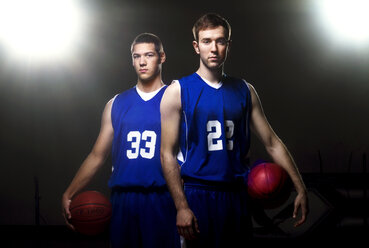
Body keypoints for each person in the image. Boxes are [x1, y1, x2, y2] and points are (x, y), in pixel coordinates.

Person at [160, 13, 308, 247]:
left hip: (237, 196)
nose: (214, 48)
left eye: (220, 41)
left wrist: (300, 187)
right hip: (198, 194)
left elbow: (271, 142)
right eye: (207, 41)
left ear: (228, 45)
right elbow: (166, 154)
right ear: (196, 46)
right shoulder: (177, 91)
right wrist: (181, 206)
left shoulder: (245, 90)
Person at [62, 33, 180, 248]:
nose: (142, 62)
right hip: (123, 201)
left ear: (162, 57)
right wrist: (69, 192)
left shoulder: (176, 99)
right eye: (136, 56)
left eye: (149, 55)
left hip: (162, 198)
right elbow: (97, 155)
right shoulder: (115, 104)